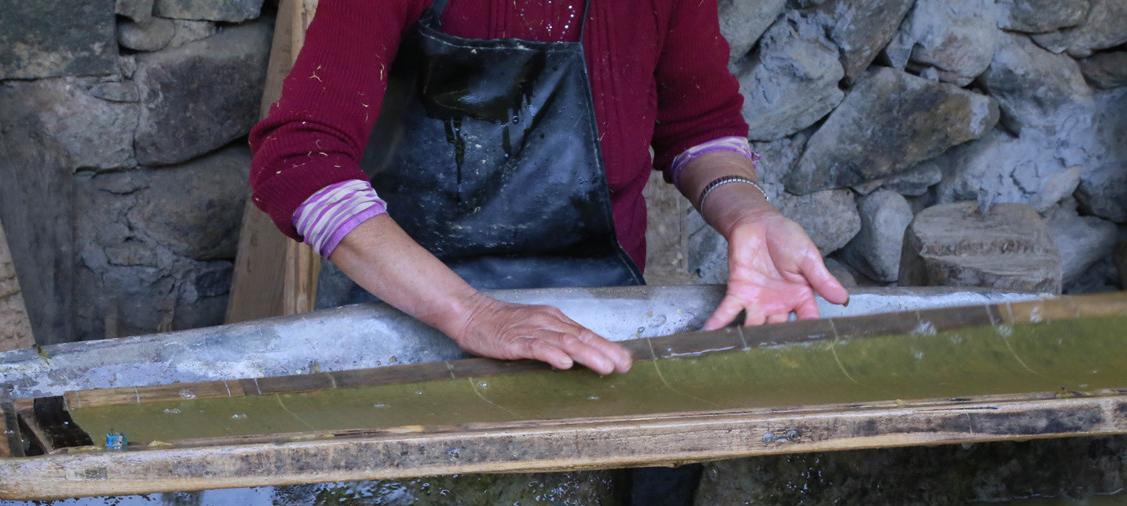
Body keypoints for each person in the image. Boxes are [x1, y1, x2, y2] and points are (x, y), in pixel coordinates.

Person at [249, 0, 848, 377]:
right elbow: (300, 162)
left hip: (596, 322)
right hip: (403, 311)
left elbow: (700, 127)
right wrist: (471, 311)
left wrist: (748, 212)